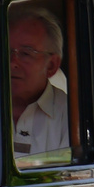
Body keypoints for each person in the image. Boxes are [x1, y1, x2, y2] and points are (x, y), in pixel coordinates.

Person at [7, 8, 70, 158]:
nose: (12, 63)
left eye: (26, 53)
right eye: (7, 52)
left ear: (51, 65)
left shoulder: (70, 116)